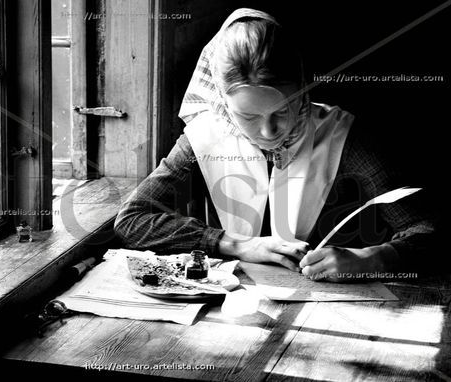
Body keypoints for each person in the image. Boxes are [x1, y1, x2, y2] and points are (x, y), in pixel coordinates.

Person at [114, 8, 436, 282]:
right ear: (223, 103)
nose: (268, 131)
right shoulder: (205, 137)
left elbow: (429, 231)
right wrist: (235, 243)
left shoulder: (344, 136)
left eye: (282, 110)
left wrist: (374, 259)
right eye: (248, 116)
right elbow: (132, 220)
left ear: (303, 88)